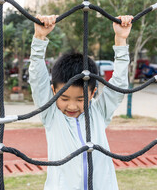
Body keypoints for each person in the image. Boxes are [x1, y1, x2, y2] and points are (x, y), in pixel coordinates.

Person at [29, 14, 133, 190]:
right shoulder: (51, 113)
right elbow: (37, 79)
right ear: (54, 91)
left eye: (80, 99)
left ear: (93, 93)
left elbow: (119, 84)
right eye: (64, 98)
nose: (71, 106)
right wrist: (39, 38)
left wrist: (121, 40)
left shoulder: (99, 112)